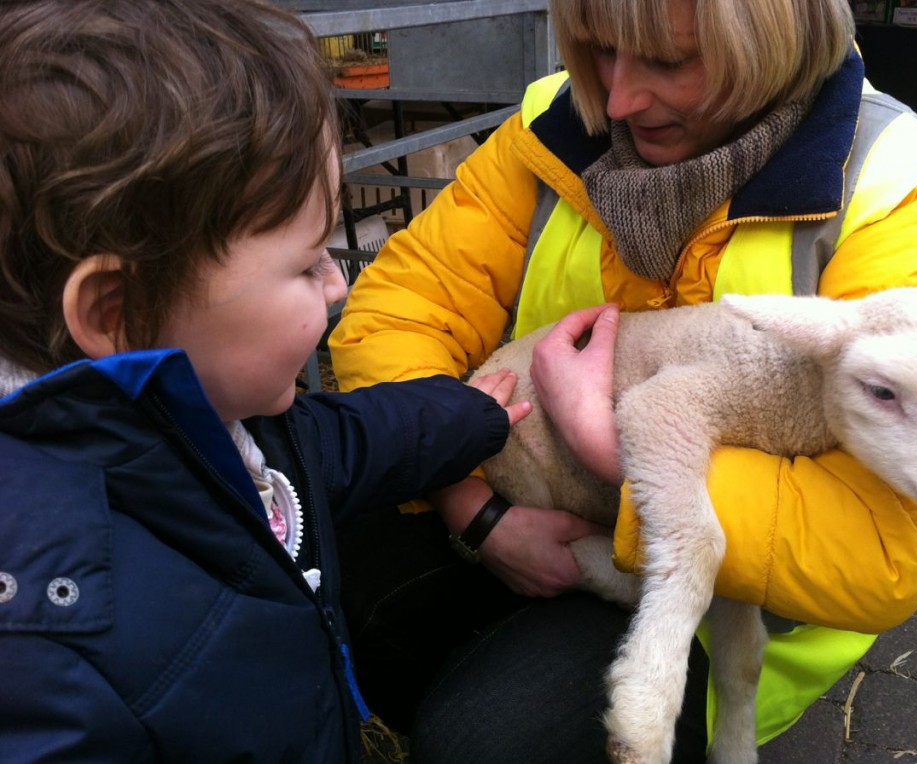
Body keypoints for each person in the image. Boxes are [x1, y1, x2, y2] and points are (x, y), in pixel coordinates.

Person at [330, 0, 917, 761]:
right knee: (326, 548)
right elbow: (397, 308)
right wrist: (477, 512)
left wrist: (610, 447)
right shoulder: (552, 123)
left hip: (739, 602)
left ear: (775, 43)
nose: (616, 100)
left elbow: (892, 544)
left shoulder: (901, 190)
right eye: (600, 49)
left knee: (497, 739)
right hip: (526, 489)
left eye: (670, 60)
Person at [0, 1, 533, 761]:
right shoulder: (48, 658)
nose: (337, 285)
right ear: (118, 312)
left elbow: (343, 444)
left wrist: (471, 413)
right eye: (306, 261)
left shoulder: (222, 422)